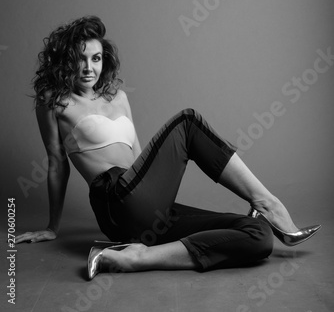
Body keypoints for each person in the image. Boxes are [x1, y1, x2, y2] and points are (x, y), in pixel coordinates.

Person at [16, 16, 321, 279]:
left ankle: (136, 257)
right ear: (67, 60)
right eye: (80, 58)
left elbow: (137, 156)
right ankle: (269, 203)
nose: (88, 67)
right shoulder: (55, 100)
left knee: (257, 235)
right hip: (115, 202)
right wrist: (51, 226)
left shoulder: (118, 98)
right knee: (188, 123)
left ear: (103, 60)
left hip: (143, 201)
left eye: (95, 58)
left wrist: (154, 188)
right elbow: (57, 162)